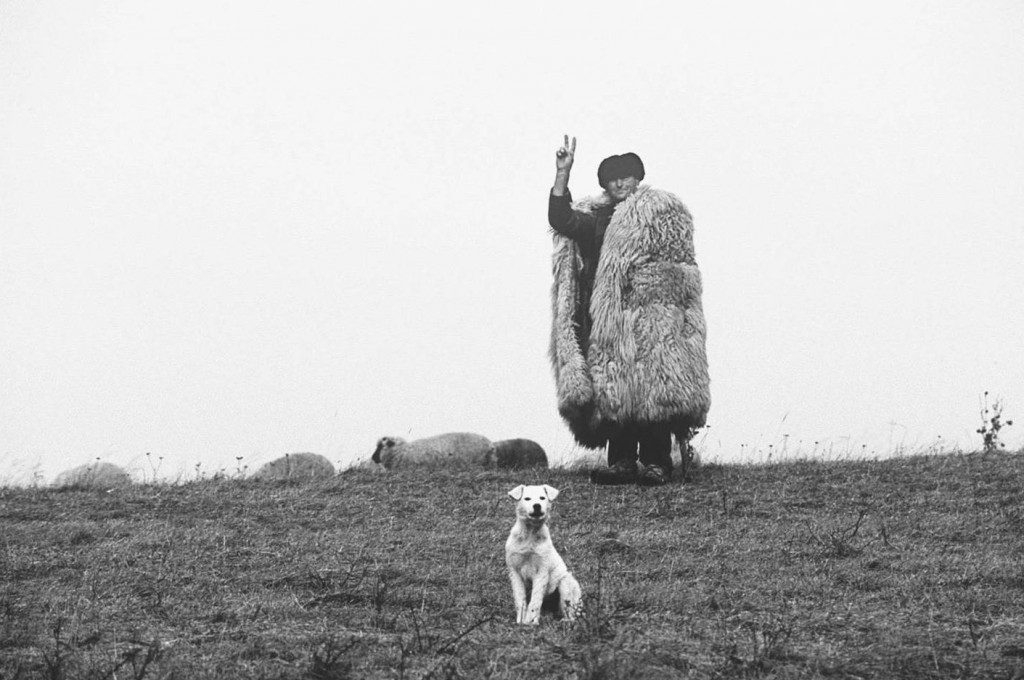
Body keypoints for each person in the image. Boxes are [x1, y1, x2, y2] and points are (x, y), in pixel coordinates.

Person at [547, 135, 710, 486]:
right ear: (605, 184)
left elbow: (678, 266)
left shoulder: (662, 211)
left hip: (652, 319)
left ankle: (657, 463)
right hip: (607, 320)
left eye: (626, 177)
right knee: (614, 390)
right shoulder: (599, 218)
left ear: (638, 179)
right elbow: (562, 220)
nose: (620, 183)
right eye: (612, 179)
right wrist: (563, 173)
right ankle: (621, 462)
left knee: (653, 390)